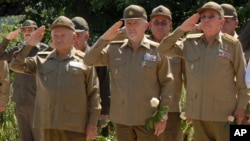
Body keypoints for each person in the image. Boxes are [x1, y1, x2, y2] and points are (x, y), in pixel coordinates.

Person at [157, 1, 249, 141]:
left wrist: (241, 107)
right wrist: (181, 29)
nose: (206, 19)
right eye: (203, 16)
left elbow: (242, 81)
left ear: (221, 21)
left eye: (211, 16)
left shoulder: (232, 45)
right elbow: (162, 49)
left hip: (224, 115)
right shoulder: (190, 43)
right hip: (198, 115)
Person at [84, 4, 174, 141]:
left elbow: (167, 83)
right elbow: (88, 60)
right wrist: (105, 38)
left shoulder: (157, 51)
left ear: (146, 26)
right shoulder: (114, 49)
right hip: (122, 119)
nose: (132, 27)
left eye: (136, 23)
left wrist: (162, 116)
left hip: (148, 119)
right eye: (128, 23)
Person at [10, 16, 101, 141]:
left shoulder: (84, 61)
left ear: (74, 37)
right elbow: (15, 65)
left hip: (75, 126)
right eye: (55, 36)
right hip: (48, 125)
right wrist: (29, 44)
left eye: (62, 36)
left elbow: (94, 94)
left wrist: (92, 124)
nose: (58, 39)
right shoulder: (41, 60)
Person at [0, 20, 49, 141]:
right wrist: (7, 39)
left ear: (36, 32)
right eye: (25, 30)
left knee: (40, 138)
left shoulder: (44, 50)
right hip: (20, 101)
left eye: (30, 30)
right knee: (25, 137)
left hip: (38, 102)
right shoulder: (18, 49)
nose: (27, 33)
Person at [148, 5, 184, 141]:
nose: (160, 26)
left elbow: (190, 79)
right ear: (150, 24)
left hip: (173, 110)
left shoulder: (179, 47)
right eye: (156, 22)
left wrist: (190, 108)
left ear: (171, 25)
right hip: (145, 110)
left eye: (164, 22)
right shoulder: (141, 46)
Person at [71, 16, 111, 136]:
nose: (74, 39)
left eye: (78, 36)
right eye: (72, 35)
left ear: (86, 37)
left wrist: (104, 112)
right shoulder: (66, 56)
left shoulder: (96, 57)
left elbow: (105, 85)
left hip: (92, 112)